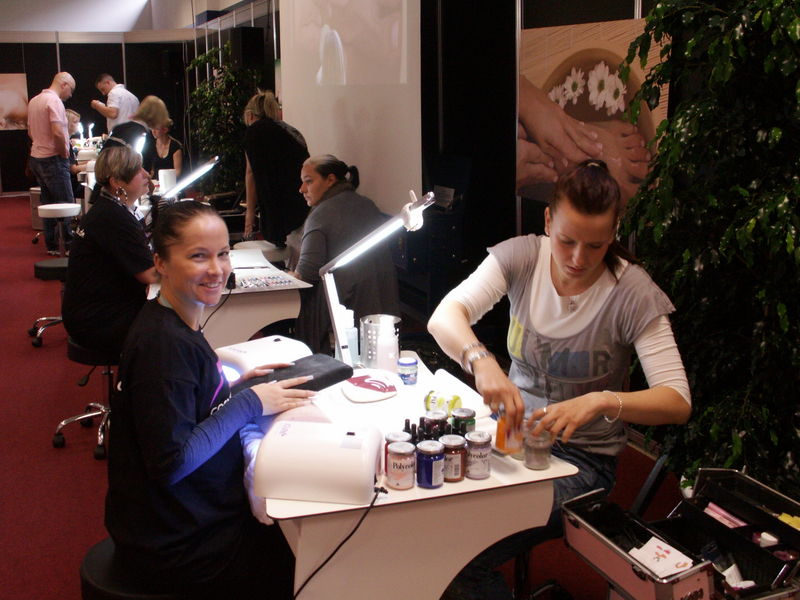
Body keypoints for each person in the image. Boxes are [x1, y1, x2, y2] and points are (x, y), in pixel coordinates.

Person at [427, 160, 691, 600]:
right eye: (567, 241)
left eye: (596, 246)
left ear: (614, 233)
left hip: (583, 463)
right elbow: (445, 317)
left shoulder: (632, 293)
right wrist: (481, 361)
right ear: (548, 221)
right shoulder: (522, 257)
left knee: (461, 553)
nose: (577, 259)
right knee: (428, 517)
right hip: (512, 440)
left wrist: (602, 400)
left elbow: (677, 401)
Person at [106, 200, 313, 598]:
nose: (217, 270)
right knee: (307, 553)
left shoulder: (171, 320)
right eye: (198, 256)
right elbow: (171, 463)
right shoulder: (165, 346)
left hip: (176, 524)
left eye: (223, 254)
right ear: (161, 262)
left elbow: (186, 405)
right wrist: (249, 403)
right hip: (182, 546)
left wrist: (235, 388)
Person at [287, 154, 400, 354]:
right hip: (381, 311)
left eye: (309, 181)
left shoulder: (320, 215)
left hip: (344, 314)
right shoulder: (368, 205)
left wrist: (287, 276)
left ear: (330, 179)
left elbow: (306, 274)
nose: (302, 189)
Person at [61, 145, 157, 358]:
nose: (146, 174)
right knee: (173, 328)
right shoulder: (114, 218)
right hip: (98, 322)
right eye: (138, 170)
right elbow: (150, 274)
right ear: (117, 183)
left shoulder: (109, 209)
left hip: (92, 312)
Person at [243, 90, 309, 249]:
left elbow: (251, 173)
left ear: (250, 115)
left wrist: (250, 213)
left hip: (275, 205)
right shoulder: (290, 130)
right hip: (302, 201)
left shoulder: (253, 132)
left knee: (278, 250)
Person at [27, 71, 76, 255]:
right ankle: (69, 245)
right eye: (71, 90)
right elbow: (57, 132)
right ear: (64, 84)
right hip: (53, 158)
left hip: (36, 157)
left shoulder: (34, 101)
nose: (70, 95)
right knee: (66, 203)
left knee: (48, 203)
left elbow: (30, 132)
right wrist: (63, 152)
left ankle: (52, 245)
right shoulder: (54, 101)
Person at [66, 108, 86, 200]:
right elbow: (73, 169)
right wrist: (92, 165)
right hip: (71, 184)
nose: (78, 125)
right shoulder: (66, 143)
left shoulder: (67, 141)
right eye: (75, 122)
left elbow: (73, 164)